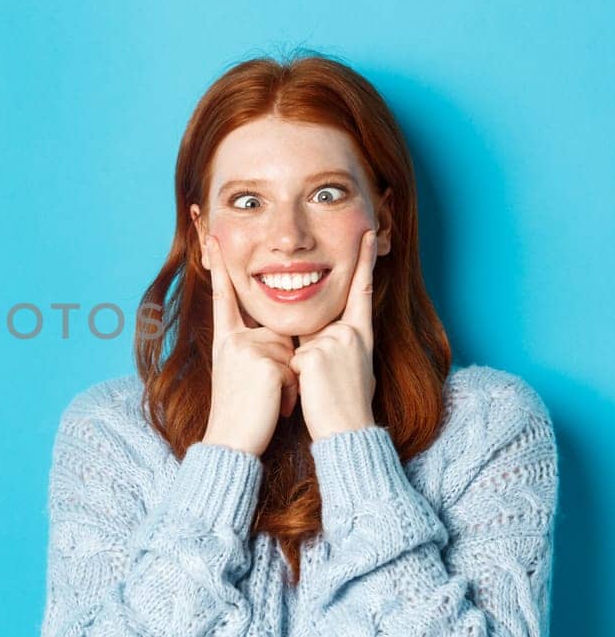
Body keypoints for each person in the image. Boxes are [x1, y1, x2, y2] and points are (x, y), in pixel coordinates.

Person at [40, 52, 559, 637]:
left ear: (384, 221)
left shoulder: (489, 425)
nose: (288, 237)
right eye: (248, 202)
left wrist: (352, 443)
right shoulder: (111, 434)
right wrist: (225, 454)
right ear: (204, 237)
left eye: (326, 194)